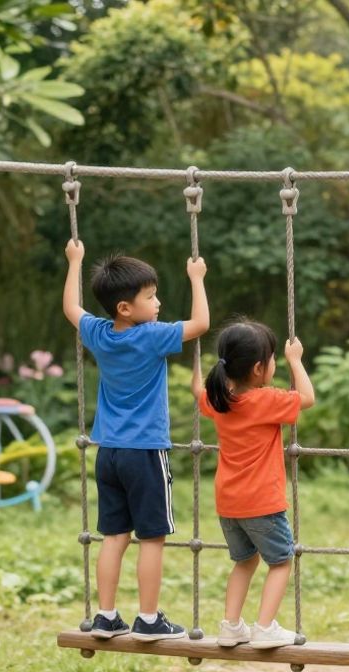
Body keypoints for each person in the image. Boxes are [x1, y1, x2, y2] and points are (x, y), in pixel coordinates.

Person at [64, 239, 209, 641]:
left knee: (114, 536)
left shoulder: (99, 334)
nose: (158, 302)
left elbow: (71, 309)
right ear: (125, 308)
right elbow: (200, 325)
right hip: (145, 452)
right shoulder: (151, 336)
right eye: (150, 296)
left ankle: (106, 616)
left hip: (108, 452)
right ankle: (148, 619)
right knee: (152, 538)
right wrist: (197, 279)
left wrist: (74, 262)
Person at [192, 321, 315, 650]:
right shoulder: (266, 400)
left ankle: (231, 625)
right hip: (262, 502)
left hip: (228, 503)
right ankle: (264, 627)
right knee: (281, 561)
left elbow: (198, 393)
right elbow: (307, 398)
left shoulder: (218, 401)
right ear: (260, 368)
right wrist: (296, 359)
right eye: (273, 358)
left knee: (244, 561)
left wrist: (196, 355)